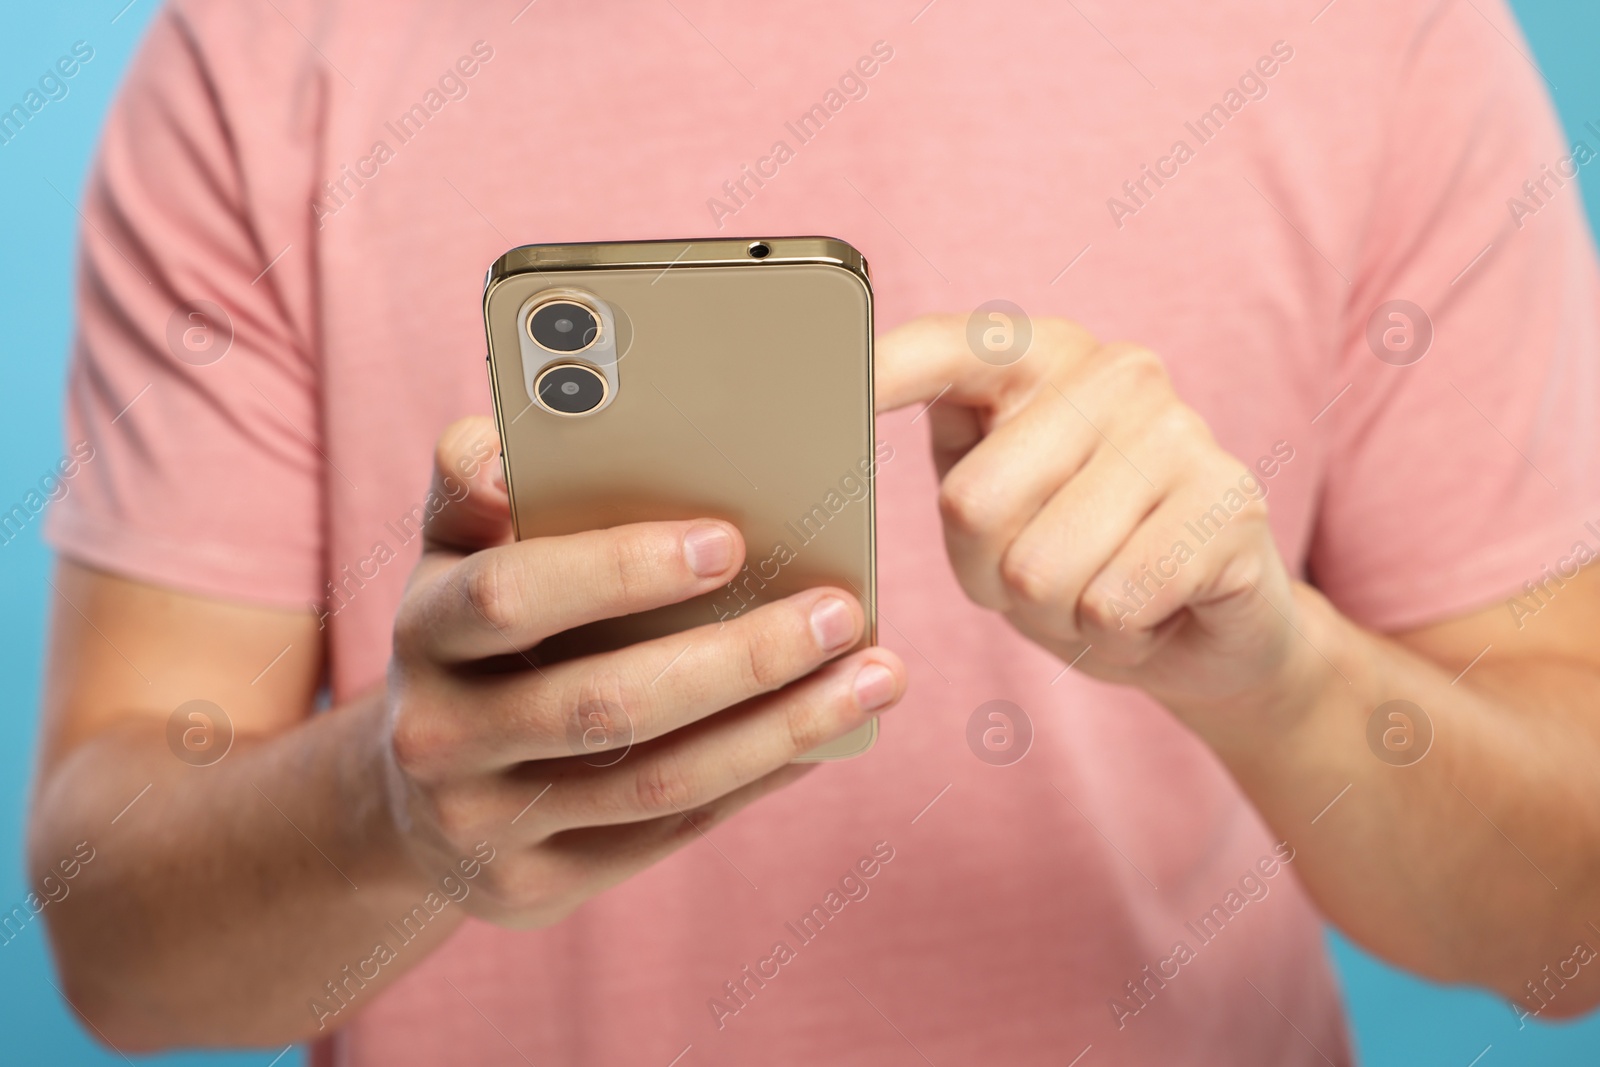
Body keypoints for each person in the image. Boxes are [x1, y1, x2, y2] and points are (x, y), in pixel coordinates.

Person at [27, 0, 1600, 1063]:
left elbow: (1572, 931)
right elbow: (114, 938)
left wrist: (1281, 678)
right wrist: (394, 813)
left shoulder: (1377, 35)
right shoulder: (259, 46)